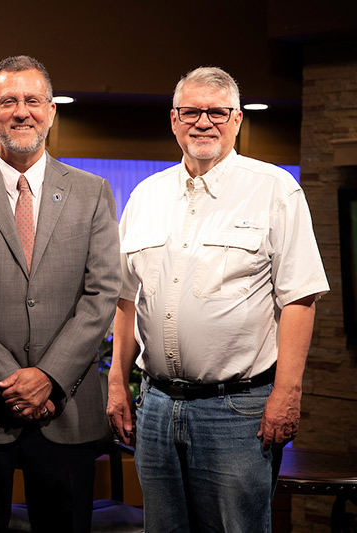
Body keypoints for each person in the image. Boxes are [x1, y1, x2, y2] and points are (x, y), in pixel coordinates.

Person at [107, 66, 329, 532]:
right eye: (191, 111)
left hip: (237, 411)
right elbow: (125, 299)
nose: (203, 122)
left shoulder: (275, 189)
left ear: (237, 119)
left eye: (217, 112)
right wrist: (116, 384)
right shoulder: (146, 195)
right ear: (173, 119)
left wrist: (287, 394)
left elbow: (299, 299)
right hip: (156, 406)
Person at [0, 55, 121, 533]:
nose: (21, 111)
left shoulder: (93, 192)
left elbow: (101, 295)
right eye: (8, 101)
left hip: (66, 406)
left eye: (33, 100)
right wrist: (11, 381)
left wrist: (49, 378)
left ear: (51, 111)